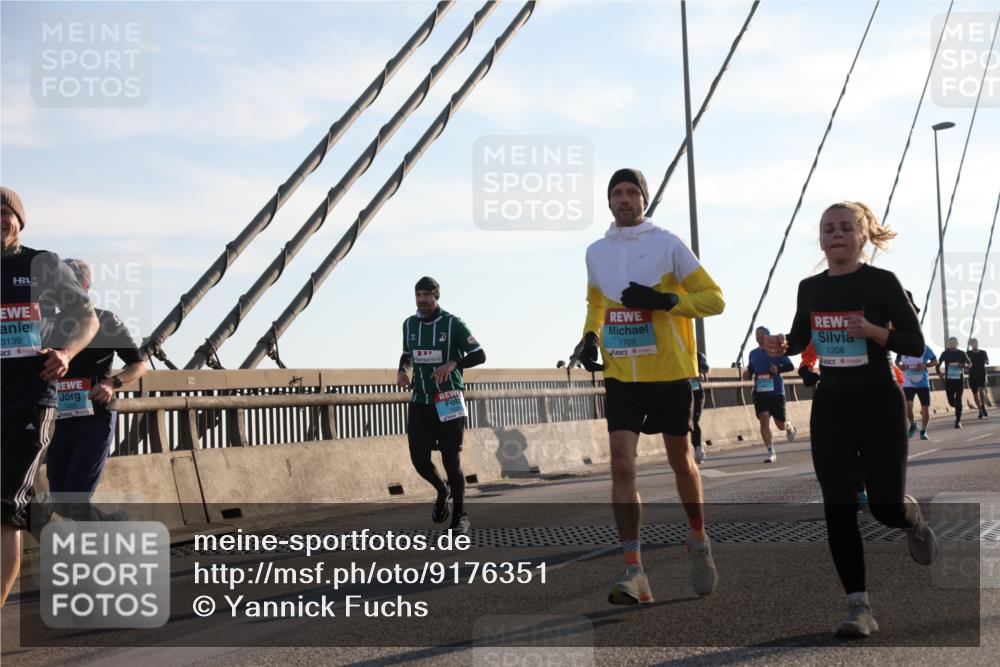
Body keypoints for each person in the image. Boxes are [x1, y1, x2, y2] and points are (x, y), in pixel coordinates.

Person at [763, 200, 937, 638]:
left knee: (884, 507)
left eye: (845, 228)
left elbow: (914, 343)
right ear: (821, 241)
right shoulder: (810, 288)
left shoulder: (882, 282)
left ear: (862, 237)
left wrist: (875, 332)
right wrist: (781, 345)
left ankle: (911, 520)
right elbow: (800, 338)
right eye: (828, 229)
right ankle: (858, 606)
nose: (836, 235)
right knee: (838, 505)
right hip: (832, 403)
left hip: (879, 400)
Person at [578, 168, 725, 604]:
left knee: (681, 461)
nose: (624, 199)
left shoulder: (668, 244)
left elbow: (715, 299)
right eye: (617, 193)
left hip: (670, 372)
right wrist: (590, 336)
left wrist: (665, 301)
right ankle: (634, 570)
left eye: (632, 192)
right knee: (622, 466)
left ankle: (697, 537)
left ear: (644, 199)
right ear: (609, 202)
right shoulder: (596, 252)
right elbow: (596, 303)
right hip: (622, 374)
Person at [2, 187, 98, 606]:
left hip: (29, 402)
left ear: (20, 221)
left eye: (5, 212)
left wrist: (66, 354)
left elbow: (87, 318)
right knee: (19, 507)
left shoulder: (41, 265)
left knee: (5, 509)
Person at [45, 259, 147, 511]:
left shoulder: (106, 321)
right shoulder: (49, 324)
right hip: (60, 421)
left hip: (96, 418)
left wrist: (113, 382)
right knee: (60, 499)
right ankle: (113, 524)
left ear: (83, 286)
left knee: (76, 497)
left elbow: (139, 364)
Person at [397, 277, 484, 536]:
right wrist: (402, 371)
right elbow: (407, 354)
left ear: (436, 296)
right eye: (418, 295)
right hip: (420, 401)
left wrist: (454, 363)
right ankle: (441, 489)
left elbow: (479, 354)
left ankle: (460, 517)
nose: (422, 300)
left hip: (448, 399)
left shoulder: (452, 323)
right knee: (419, 459)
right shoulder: (409, 324)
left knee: (451, 460)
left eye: (427, 295)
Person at [743, 326, 796, 463]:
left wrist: (777, 369)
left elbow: (790, 366)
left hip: (776, 392)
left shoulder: (776, 350)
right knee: (764, 420)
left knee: (780, 425)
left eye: (761, 334)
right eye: (757, 334)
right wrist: (748, 373)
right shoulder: (753, 353)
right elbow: (751, 368)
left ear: (767, 336)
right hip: (760, 392)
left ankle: (789, 425)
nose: (758, 336)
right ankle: (771, 452)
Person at [897, 344, 937, 440]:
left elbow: (935, 361)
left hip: (923, 383)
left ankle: (924, 430)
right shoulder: (902, 347)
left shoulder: (925, 348)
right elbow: (897, 361)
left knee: (925, 409)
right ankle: (913, 424)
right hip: (908, 383)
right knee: (908, 406)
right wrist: (900, 366)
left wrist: (926, 365)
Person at [937, 337, 971, 429]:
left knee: (958, 399)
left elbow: (970, 364)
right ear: (948, 344)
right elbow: (937, 366)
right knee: (951, 401)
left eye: (954, 343)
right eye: (950, 343)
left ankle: (958, 421)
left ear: (957, 344)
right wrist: (940, 375)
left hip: (959, 380)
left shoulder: (962, 353)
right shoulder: (945, 353)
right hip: (949, 380)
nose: (952, 345)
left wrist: (964, 365)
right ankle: (958, 407)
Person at [691, 351, 710, 464]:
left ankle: (698, 448)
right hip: (681, 394)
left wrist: (701, 373)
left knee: (694, 419)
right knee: (684, 422)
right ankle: (690, 448)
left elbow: (706, 370)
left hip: (696, 393)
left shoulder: (698, 355)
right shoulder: (674, 354)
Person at [967, 338, 990, 418]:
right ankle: (980, 411)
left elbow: (987, 362)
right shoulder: (968, 353)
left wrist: (986, 361)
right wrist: (968, 362)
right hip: (972, 375)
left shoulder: (983, 352)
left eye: (976, 343)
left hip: (982, 375)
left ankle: (983, 406)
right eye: (973, 343)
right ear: (970, 345)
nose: (975, 344)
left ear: (978, 343)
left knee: (981, 391)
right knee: (975, 394)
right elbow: (965, 364)